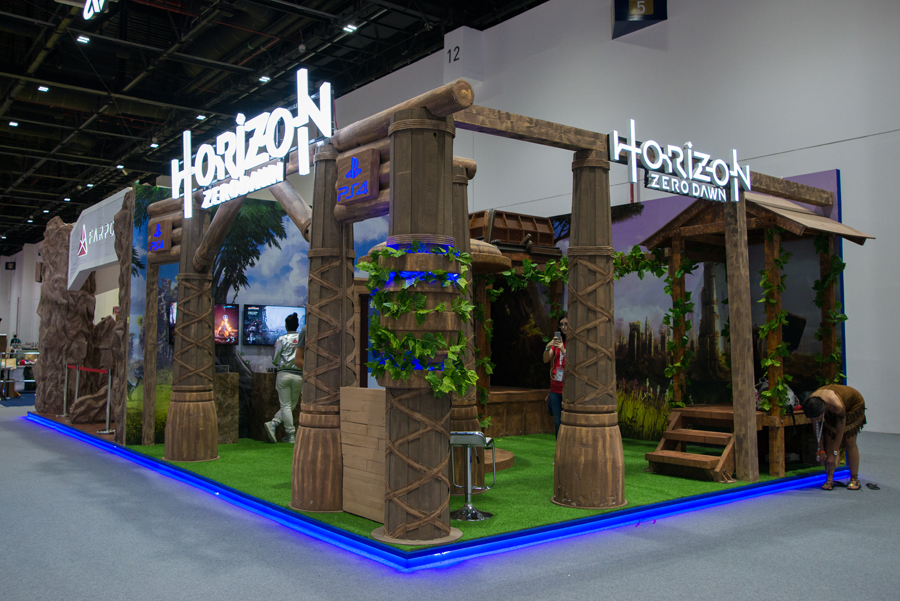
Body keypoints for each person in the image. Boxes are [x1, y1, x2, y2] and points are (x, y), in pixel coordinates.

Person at [799, 384, 867, 491]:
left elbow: (840, 431)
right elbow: (817, 428)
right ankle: (829, 480)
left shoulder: (836, 405)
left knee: (849, 441)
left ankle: (854, 478)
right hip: (829, 406)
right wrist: (821, 449)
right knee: (829, 438)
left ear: (822, 411)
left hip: (853, 405)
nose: (816, 419)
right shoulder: (811, 405)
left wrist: (834, 454)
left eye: (818, 417)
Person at [264, 313, 305, 444]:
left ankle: (287, 432)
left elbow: (275, 359)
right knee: (291, 405)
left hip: (283, 375)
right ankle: (278, 426)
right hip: (298, 375)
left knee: (286, 405)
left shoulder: (281, 339)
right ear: (297, 325)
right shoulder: (302, 338)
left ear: (286, 326)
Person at [542, 313, 569, 437]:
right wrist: (548, 348)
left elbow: (573, 363)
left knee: (567, 421)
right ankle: (559, 445)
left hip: (567, 389)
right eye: (561, 325)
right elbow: (545, 359)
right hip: (555, 388)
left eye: (566, 324)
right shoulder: (558, 342)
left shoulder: (572, 342)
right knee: (557, 421)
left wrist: (563, 349)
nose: (563, 327)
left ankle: (567, 445)